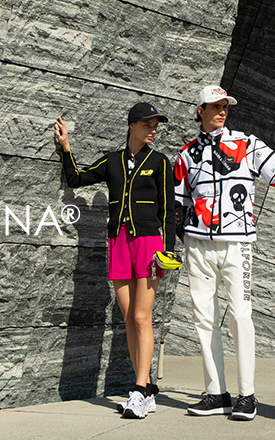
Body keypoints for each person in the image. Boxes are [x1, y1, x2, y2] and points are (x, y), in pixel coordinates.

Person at [174, 85, 275, 421]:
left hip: (237, 244)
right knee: (204, 320)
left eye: (225, 106)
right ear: (200, 111)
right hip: (198, 245)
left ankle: (246, 395)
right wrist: (184, 236)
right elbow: (178, 203)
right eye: (215, 106)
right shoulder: (186, 154)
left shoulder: (246, 144)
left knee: (240, 316)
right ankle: (216, 393)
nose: (222, 111)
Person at [54, 102, 176, 419]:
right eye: (147, 124)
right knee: (128, 319)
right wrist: (66, 148)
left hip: (149, 245)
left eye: (155, 125)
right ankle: (147, 390)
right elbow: (76, 178)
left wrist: (169, 251)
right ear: (132, 125)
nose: (153, 130)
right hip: (118, 242)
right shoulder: (112, 161)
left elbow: (168, 211)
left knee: (141, 317)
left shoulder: (160, 163)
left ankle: (138, 391)